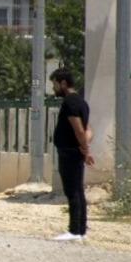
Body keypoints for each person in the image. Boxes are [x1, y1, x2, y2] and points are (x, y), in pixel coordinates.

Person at [51, 68, 94, 241]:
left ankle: (74, 231)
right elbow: (89, 130)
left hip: (69, 152)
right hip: (75, 151)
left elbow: (79, 130)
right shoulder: (82, 103)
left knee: (72, 191)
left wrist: (84, 149)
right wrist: (84, 147)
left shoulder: (70, 102)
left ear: (63, 83)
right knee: (78, 190)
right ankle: (80, 230)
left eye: (54, 84)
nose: (53, 89)